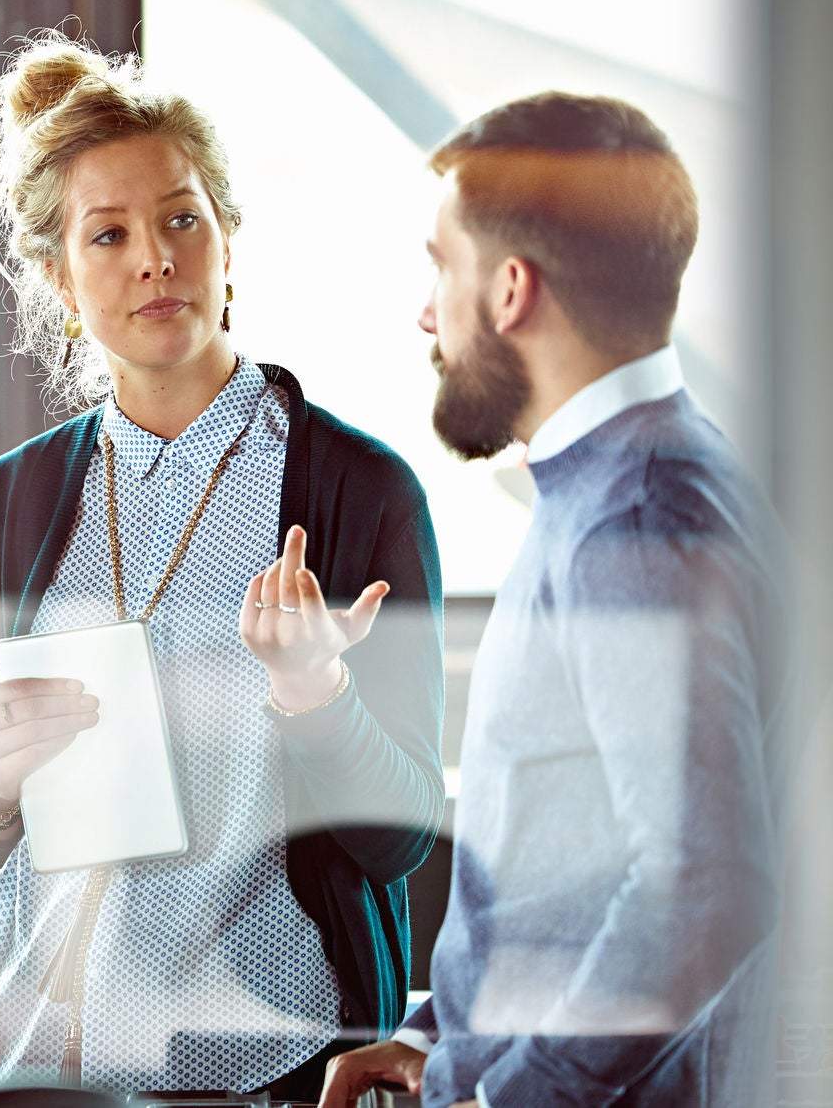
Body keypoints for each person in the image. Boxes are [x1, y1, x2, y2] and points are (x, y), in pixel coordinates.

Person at [0, 36, 445, 1099]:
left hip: (278, 1060)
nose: (152, 258)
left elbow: (399, 844)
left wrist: (316, 693)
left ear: (227, 241)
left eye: (179, 219)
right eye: (105, 235)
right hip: (51, 1057)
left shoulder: (355, 492)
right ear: (60, 277)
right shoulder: (5, 506)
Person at [318, 94, 789, 1108]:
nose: (421, 310)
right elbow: (564, 866)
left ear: (510, 290)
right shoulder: (620, 481)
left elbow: (702, 889)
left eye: (439, 266)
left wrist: (505, 1097)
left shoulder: (637, 520)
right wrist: (437, 1041)